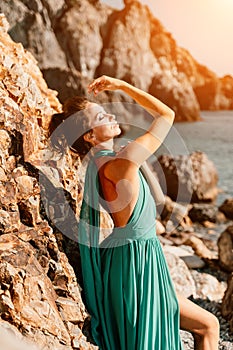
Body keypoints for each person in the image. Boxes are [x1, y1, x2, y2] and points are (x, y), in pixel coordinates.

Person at [48, 75, 219, 350]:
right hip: (137, 263)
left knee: (202, 326)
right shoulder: (120, 163)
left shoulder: (100, 165)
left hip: (128, 259)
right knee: (208, 326)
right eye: (102, 116)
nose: (112, 115)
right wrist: (123, 86)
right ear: (91, 136)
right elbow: (166, 115)